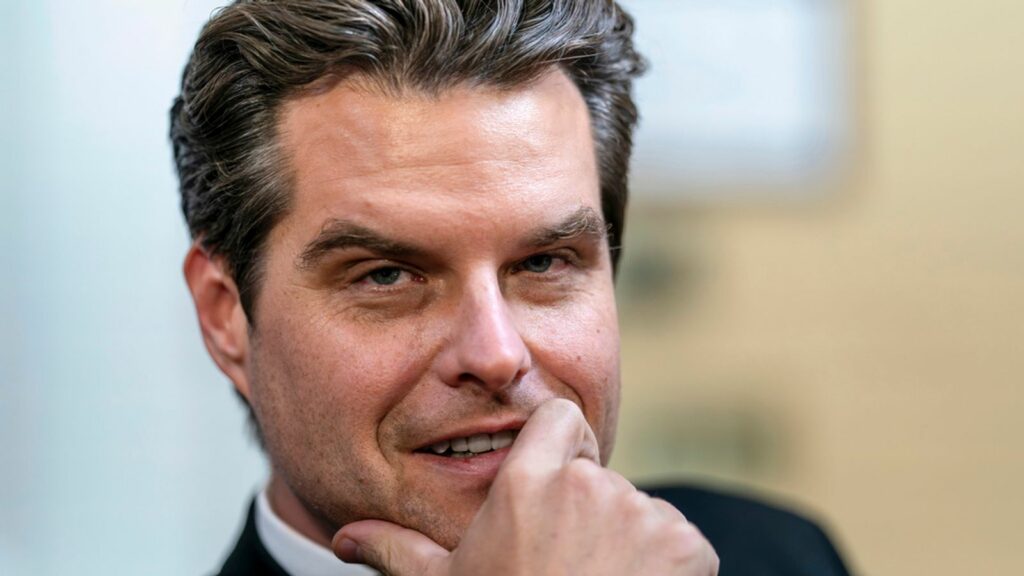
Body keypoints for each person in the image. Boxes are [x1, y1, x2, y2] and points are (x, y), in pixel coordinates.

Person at [170, 1, 852, 575]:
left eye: (544, 264)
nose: (496, 354)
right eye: (386, 276)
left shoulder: (777, 555)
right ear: (226, 317)